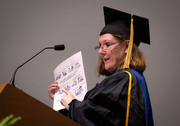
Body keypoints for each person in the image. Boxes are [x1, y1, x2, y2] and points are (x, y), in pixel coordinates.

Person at [48, 6, 154, 126]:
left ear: (126, 47)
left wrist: (72, 104)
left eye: (107, 44)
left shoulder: (125, 79)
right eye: (100, 45)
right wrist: (61, 100)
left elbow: (101, 119)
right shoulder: (126, 79)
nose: (100, 51)